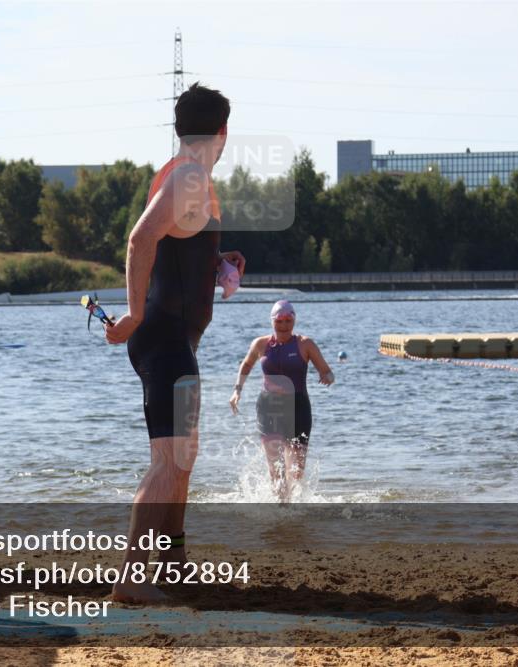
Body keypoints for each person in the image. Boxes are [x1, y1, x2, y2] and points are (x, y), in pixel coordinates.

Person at [105, 82, 245, 603]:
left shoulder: (185, 177)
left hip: (172, 341)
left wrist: (217, 262)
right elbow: (140, 239)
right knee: (167, 462)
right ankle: (132, 579)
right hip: (163, 337)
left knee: (181, 459)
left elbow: (171, 248)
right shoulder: (188, 176)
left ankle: (171, 565)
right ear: (223, 132)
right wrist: (135, 313)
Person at [229, 300, 334, 502]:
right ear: (272, 321)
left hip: (298, 409)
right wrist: (237, 391)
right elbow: (246, 365)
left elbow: (328, 372)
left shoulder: (305, 344)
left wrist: (327, 378)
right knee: (276, 468)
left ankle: (291, 514)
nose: (284, 326)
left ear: (294, 320)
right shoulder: (260, 344)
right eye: (279, 321)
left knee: (296, 470)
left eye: (288, 320)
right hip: (269, 409)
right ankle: (280, 507)